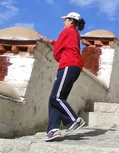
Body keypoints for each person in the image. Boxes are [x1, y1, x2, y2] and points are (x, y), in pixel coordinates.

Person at [38, 12, 87, 142]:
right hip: (72, 66)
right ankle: (54, 130)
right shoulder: (74, 33)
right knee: (54, 98)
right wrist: (50, 41)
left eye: (65, 20)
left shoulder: (67, 31)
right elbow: (64, 44)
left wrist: (55, 48)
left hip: (68, 64)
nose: (64, 22)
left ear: (71, 21)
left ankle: (74, 120)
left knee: (57, 97)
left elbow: (60, 47)